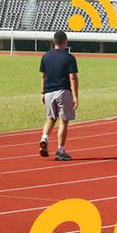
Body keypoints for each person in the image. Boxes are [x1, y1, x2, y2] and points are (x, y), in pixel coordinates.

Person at [38, 30, 79, 161]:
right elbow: (73, 77)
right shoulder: (69, 58)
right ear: (65, 42)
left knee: (50, 118)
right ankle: (60, 150)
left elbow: (43, 76)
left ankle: (44, 138)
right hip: (63, 91)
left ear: (54, 42)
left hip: (49, 92)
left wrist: (43, 92)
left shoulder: (46, 56)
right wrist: (75, 97)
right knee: (63, 121)